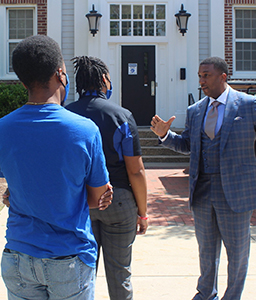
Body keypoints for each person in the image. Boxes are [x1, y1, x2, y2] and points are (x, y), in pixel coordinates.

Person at [150, 56, 256, 300]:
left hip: (236, 191)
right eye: (199, 75)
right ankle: (206, 293)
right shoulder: (196, 110)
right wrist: (165, 136)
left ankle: (232, 296)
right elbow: (187, 145)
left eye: (206, 75)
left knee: (237, 251)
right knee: (206, 250)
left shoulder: (248, 104)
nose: (201, 80)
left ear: (223, 76)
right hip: (203, 189)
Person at [0, 35, 112, 300]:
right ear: (61, 74)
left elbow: (10, 185)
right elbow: (98, 198)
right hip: (69, 256)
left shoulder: (3, 128)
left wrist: (14, 194)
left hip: (18, 254)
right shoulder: (84, 130)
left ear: (22, 79)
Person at [66, 56, 148, 300]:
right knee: (120, 273)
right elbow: (136, 170)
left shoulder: (66, 115)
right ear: (104, 80)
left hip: (79, 202)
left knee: (81, 273)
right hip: (119, 201)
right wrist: (142, 212)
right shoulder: (122, 116)